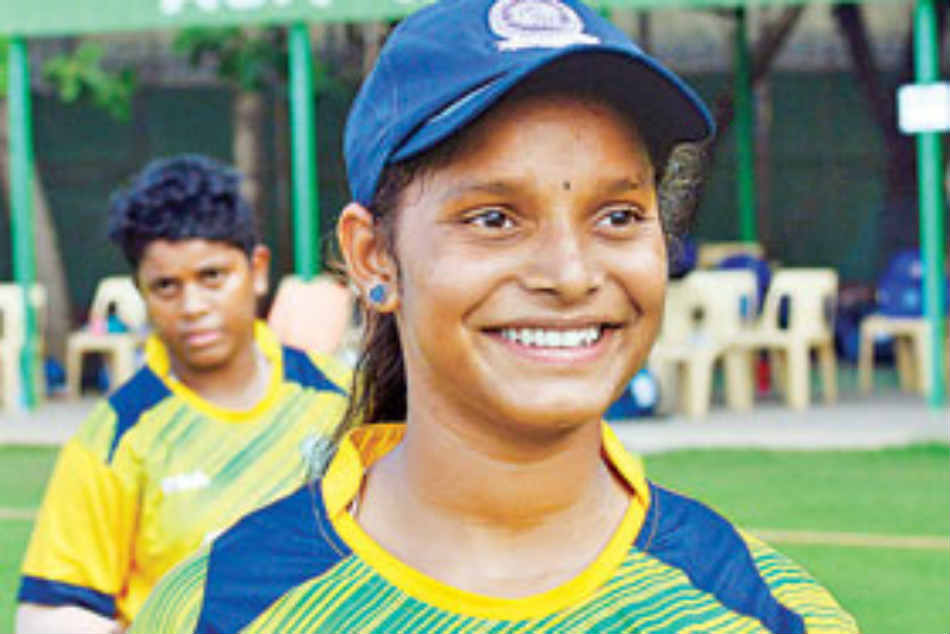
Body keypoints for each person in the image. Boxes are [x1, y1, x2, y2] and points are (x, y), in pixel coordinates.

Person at [131, 2, 858, 633]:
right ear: (373, 258)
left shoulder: (764, 611)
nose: (571, 274)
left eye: (617, 215)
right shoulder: (221, 609)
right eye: (494, 218)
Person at [16, 155, 351, 634]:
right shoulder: (115, 437)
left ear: (257, 270)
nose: (193, 306)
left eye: (212, 277)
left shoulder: (343, 398)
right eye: (166, 286)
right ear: (141, 292)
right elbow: (46, 613)